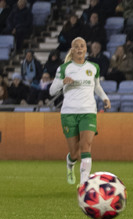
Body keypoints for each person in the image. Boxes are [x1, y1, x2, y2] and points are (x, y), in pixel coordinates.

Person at [49, 37, 111, 187]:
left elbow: (96, 86)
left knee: (86, 145)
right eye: (76, 46)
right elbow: (51, 91)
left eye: (82, 46)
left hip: (88, 112)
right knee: (75, 154)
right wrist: (62, 82)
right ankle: (70, 165)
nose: (79, 48)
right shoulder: (64, 69)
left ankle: (84, 184)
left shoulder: (93, 67)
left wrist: (104, 98)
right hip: (69, 113)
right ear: (72, 49)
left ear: (85, 49)